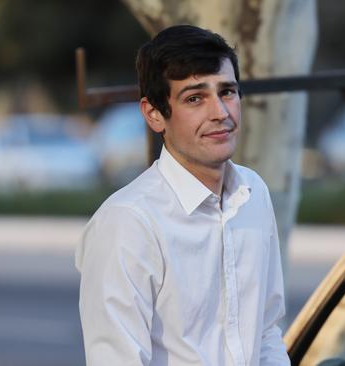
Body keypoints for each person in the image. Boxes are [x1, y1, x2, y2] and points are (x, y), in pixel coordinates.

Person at [75, 25, 290, 365]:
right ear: (154, 114)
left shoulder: (254, 194)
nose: (220, 112)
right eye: (195, 98)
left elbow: (265, 333)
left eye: (228, 92)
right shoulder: (128, 222)